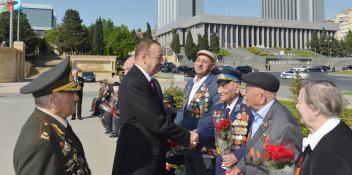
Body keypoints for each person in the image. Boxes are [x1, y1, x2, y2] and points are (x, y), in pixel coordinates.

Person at [111, 39, 198, 175]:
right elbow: (156, 121)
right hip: (140, 159)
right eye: (159, 57)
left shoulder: (148, 81)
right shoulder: (135, 82)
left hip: (150, 155)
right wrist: (186, 137)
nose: (163, 61)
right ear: (144, 58)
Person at [13, 58, 91, 175]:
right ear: (52, 100)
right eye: (71, 93)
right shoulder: (40, 144)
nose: (76, 98)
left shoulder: (53, 122)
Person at [229, 72, 302, 175]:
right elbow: (252, 149)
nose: (243, 93)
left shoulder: (284, 126)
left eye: (247, 90)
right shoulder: (258, 112)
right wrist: (240, 167)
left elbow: (282, 171)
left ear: (261, 97)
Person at [199, 66, 253, 175]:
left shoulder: (249, 109)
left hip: (241, 167)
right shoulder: (218, 108)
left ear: (237, 88)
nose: (219, 90)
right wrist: (195, 135)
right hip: (220, 166)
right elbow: (209, 129)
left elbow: (257, 139)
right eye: (219, 86)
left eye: (224, 86)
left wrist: (237, 155)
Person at [294, 80, 352, 175]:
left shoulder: (330, 158)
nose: (296, 106)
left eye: (299, 102)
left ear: (315, 109)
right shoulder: (336, 133)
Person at [176, 50, 219, 175]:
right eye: (198, 60)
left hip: (203, 144)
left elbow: (215, 115)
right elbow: (184, 109)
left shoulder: (215, 85)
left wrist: (198, 134)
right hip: (186, 142)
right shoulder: (190, 83)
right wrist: (174, 129)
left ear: (211, 67)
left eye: (204, 62)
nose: (199, 64)